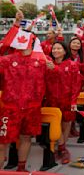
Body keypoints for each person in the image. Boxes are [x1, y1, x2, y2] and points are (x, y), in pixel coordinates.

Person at [0, 34, 47, 172]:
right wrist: (14, 28)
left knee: (26, 137)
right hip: (10, 109)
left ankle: (21, 168)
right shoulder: (7, 60)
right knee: (2, 142)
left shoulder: (42, 61)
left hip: (32, 109)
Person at [44, 42, 82, 164]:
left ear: (65, 51)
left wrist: (73, 101)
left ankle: (62, 147)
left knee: (66, 125)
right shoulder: (48, 65)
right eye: (54, 48)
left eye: (59, 48)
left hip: (67, 100)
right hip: (52, 100)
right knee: (56, 125)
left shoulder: (72, 65)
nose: (55, 50)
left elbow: (76, 84)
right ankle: (61, 147)